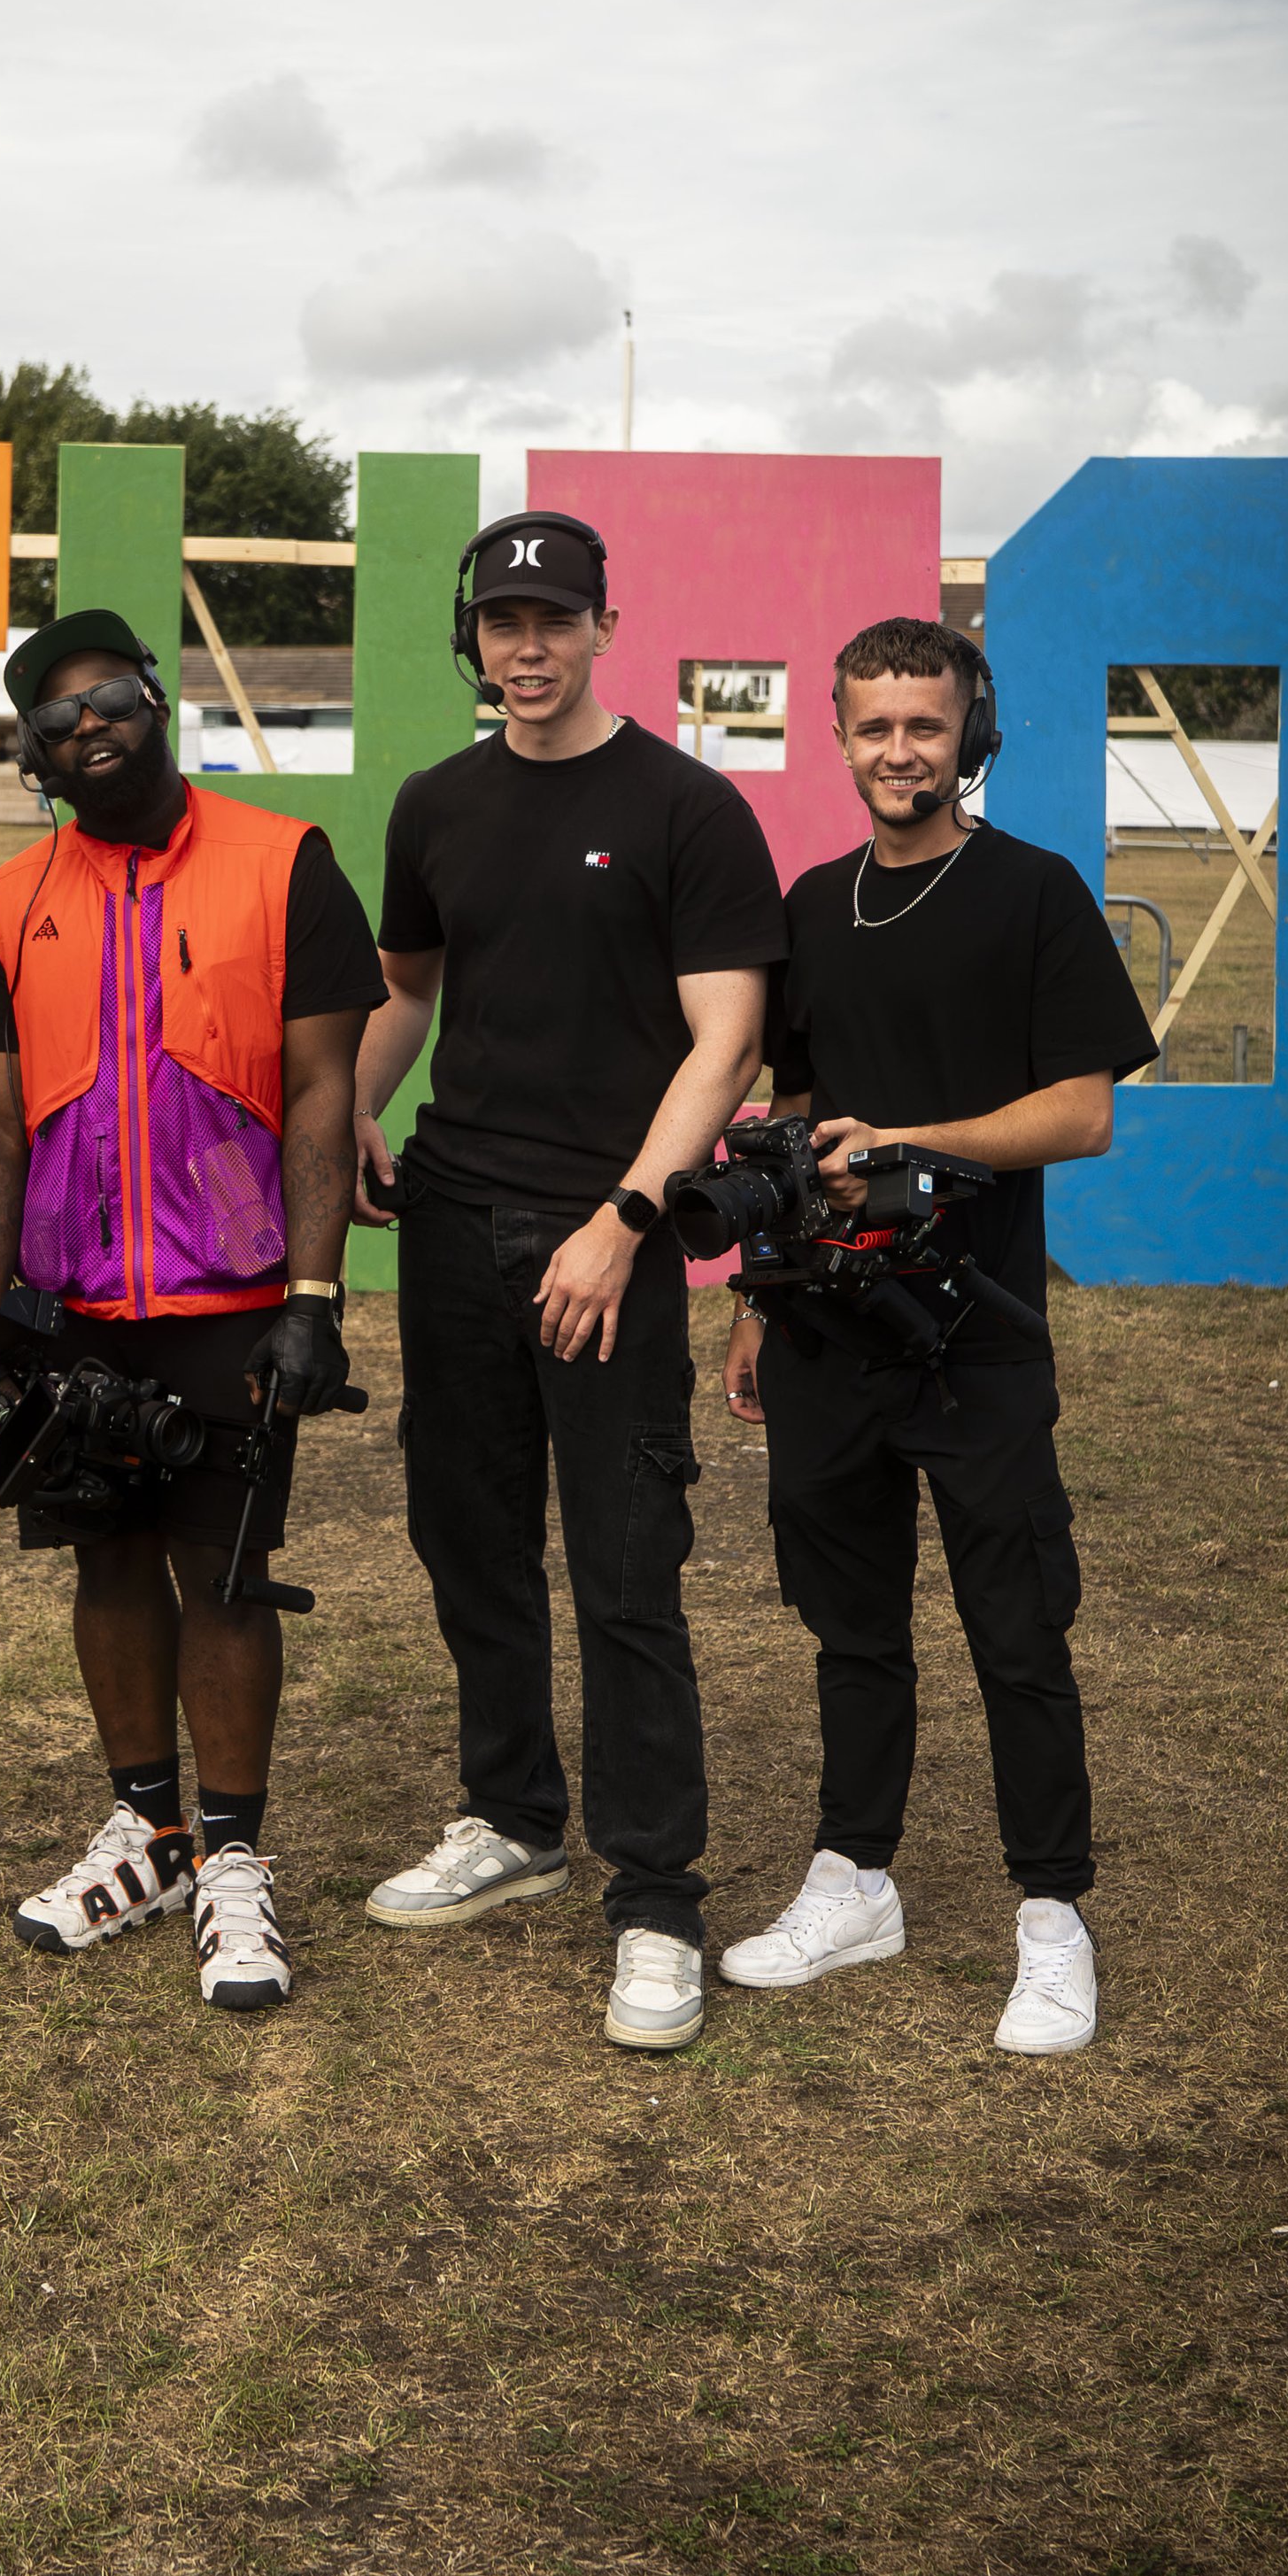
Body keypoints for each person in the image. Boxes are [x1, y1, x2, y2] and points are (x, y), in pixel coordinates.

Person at [353, 512, 785, 2054]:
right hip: (454, 1226)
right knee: (465, 1535)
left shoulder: (685, 805)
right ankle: (513, 1818)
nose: (525, 647)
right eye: (500, 621)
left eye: (553, 618)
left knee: (622, 1566)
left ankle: (657, 1895)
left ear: (608, 622)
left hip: (606, 1236)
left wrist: (623, 1217)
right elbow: (409, 993)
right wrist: (352, 1103)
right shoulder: (436, 804)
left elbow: (723, 1041)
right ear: (471, 636)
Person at [719, 614, 1160, 2055]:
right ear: (837, 735)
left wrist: (914, 1138)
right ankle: (856, 1878)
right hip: (827, 1333)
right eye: (874, 726)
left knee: (1017, 1631)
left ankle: (1052, 1916)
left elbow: (1082, 1112)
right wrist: (753, 1295)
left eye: (927, 725)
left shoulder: (1033, 894)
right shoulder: (810, 902)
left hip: (976, 1332)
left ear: (973, 733)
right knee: (851, 1629)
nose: (899, 750)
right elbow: (791, 1118)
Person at [0, 607, 385, 2012]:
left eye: (110, 697)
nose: (90, 725)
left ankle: (237, 1865)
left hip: (237, 1300)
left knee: (228, 1577)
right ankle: (149, 1829)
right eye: (57, 718)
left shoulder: (284, 864)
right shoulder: (12, 903)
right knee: (105, 1565)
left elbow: (324, 1089)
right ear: (35, 757)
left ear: (157, 701)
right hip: (75, 1302)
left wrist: (312, 1299)